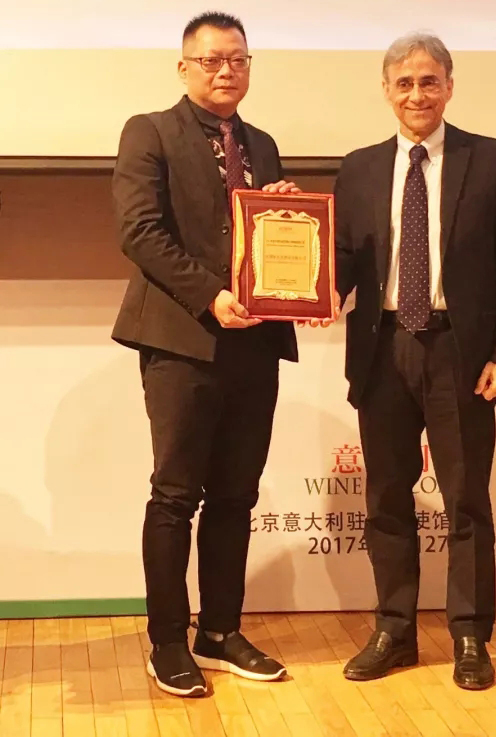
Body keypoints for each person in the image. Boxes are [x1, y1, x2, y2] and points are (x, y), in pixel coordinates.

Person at [333, 32, 496, 690]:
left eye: (429, 81)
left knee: (466, 500)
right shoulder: (359, 168)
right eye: (404, 83)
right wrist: (308, 285)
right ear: (385, 91)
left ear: (450, 86)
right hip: (382, 349)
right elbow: (340, 261)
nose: (416, 94)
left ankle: (470, 636)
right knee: (386, 499)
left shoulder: (490, 159)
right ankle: (394, 631)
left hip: (461, 351)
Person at [111, 11, 301, 697]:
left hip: (255, 341)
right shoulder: (150, 132)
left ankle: (219, 631)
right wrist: (211, 295)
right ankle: (167, 640)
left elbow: (265, 239)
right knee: (174, 495)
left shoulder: (263, 144)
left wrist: (283, 212)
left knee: (236, 495)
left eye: (239, 60)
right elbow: (140, 232)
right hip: (180, 339)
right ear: (184, 67)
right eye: (213, 60)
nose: (227, 71)